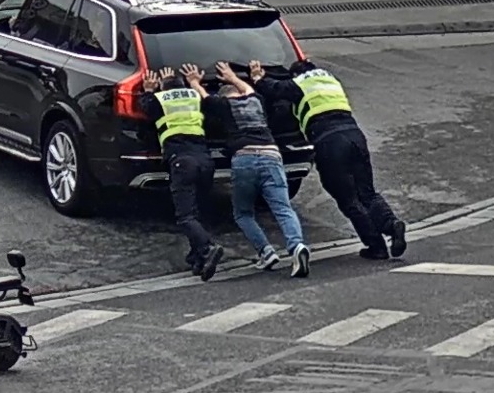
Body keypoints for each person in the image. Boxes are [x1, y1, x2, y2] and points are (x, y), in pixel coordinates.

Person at [250, 59, 407, 260]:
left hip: (330, 141)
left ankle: (376, 246)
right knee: (366, 192)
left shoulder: (301, 82)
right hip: (355, 136)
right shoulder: (330, 80)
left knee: (347, 198)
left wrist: (258, 77)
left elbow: (276, 89)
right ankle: (391, 225)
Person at [180, 61, 311, 278]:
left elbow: (204, 97)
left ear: (224, 96)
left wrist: (194, 81)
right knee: (283, 208)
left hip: (245, 159)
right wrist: (232, 76)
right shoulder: (257, 100)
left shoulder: (222, 105)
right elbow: (247, 89)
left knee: (243, 213)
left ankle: (265, 251)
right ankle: (297, 246)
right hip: (272, 156)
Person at [139, 66, 225, 282]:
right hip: (205, 162)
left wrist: (149, 89)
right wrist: (195, 82)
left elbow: (146, 109)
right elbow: (213, 111)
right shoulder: (194, 96)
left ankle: (207, 248)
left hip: (182, 162)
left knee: (185, 216)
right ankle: (197, 259)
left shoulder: (161, 99)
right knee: (197, 212)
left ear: (162, 85)